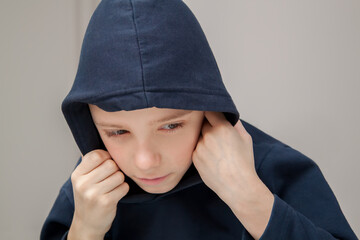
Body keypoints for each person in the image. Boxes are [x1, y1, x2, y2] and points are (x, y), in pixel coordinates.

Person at [40, 0, 358, 239]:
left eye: (170, 125)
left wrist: (249, 198)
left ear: (207, 110)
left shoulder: (271, 171)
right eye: (118, 131)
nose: (146, 160)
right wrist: (84, 230)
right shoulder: (89, 191)